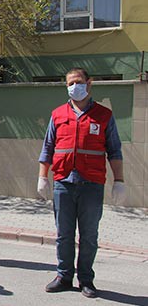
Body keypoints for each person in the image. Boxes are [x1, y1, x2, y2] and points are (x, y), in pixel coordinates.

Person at [37, 67, 125, 298]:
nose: (73, 86)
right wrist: (42, 177)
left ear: (89, 83)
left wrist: (120, 181)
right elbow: (47, 148)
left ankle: (86, 279)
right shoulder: (57, 114)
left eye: (77, 81)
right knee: (63, 234)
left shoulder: (104, 115)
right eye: (69, 83)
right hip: (63, 183)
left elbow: (115, 150)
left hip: (92, 183)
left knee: (88, 235)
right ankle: (64, 276)